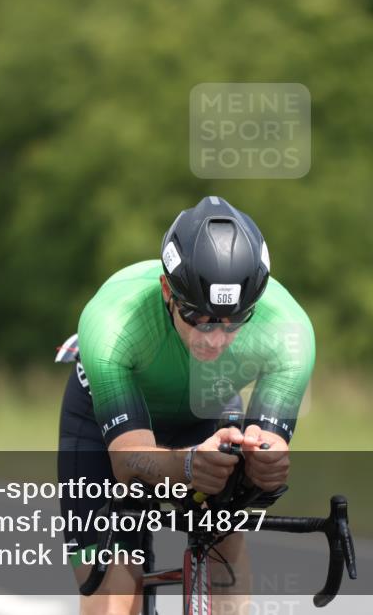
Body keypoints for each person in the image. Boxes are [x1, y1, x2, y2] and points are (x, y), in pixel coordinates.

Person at [57, 195, 315, 615]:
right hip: (106, 425)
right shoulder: (112, 320)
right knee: (116, 587)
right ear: (167, 291)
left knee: (224, 542)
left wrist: (265, 463)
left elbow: (267, 455)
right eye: (197, 317)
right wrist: (190, 466)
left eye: (234, 322)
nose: (214, 338)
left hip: (205, 414)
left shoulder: (289, 330)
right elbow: (127, 463)